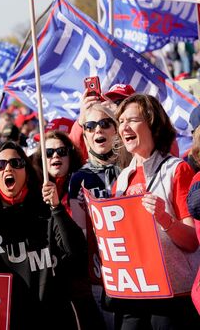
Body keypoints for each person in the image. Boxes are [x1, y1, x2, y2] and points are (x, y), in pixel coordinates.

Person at [0, 141, 87, 329]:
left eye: (16, 163)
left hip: (52, 318)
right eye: (0, 165)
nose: (8, 168)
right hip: (7, 320)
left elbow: (76, 252)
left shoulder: (46, 211)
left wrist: (57, 208)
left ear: (26, 172)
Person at [110, 94, 200, 329]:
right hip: (133, 294)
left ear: (152, 123)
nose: (124, 127)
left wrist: (164, 218)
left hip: (171, 297)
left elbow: (192, 241)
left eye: (132, 120)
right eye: (121, 121)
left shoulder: (177, 170)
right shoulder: (121, 181)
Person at [68, 103, 127, 329]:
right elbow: (80, 232)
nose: (98, 131)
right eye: (90, 126)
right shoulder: (79, 178)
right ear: (85, 135)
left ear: (116, 129)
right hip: (102, 277)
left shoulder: (132, 168)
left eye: (105, 124)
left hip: (139, 274)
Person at [33, 130, 83, 216]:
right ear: (41, 159)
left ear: (70, 156)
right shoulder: (33, 189)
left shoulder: (83, 185)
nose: (55, 155)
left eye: (61, 151)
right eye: (48, 153)